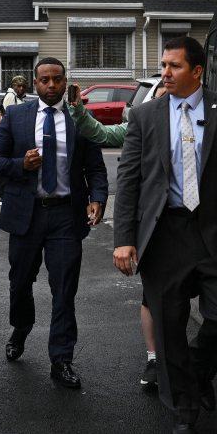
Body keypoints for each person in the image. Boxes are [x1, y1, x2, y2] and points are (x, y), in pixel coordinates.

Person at [112, 37, 217, 434]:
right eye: (163, 65)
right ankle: (183, 409)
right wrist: (124, 238)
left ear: (197, 71)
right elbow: (129, 181)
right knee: (168, 326)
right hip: (164, 234)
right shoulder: (145, 116)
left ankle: (197, 374)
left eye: (174, 67)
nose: (164, 73)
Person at [0, 57, 108, 389]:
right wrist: (21, 165)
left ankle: (61, 359)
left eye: (57, 79)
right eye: (45, 80)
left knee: (64, 288)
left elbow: (96, 169)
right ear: (34, 83)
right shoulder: (16, 116)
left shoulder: (79, 119)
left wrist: (97, 198)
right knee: (20, 283)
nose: (51, 85)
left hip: (65, 216)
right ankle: (21, 327)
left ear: (65, 81)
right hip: (26, 214)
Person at [67, 83, 168, 387]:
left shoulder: (202, 123)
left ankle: (185, 359)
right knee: (152, 294)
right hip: (153, 223)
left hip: (195, 227)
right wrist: (79, 111)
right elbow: (103, 135)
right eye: (161, 99)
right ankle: (154, 358)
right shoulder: (143, 123)